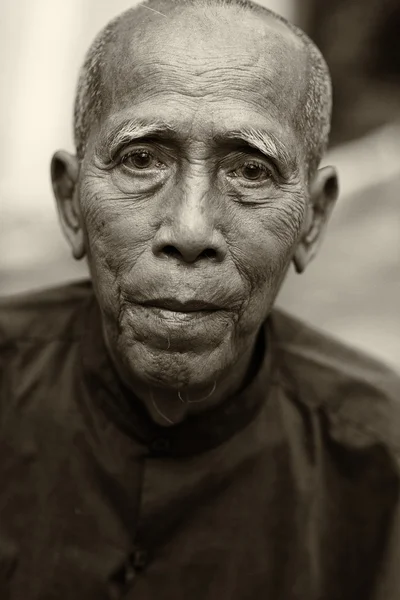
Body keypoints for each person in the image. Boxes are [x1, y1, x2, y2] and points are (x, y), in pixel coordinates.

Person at [0, 0, 399, 598]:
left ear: (313, 219)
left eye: (251, 171)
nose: (189, 231)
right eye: (141, 161)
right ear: (70, 202)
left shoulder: (381, 459)